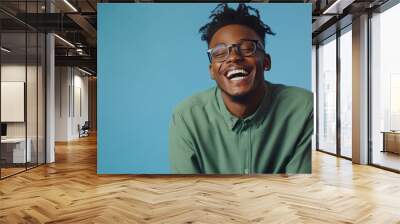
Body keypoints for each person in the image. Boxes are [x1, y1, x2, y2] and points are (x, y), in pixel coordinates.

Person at [169, 3, 313, 174]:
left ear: (266, 61)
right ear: (212, 71)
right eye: (220, 52)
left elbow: (300, 191)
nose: (234, 58)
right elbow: (189, 194)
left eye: (246, 48)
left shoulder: (304, 107)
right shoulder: (186, 117)